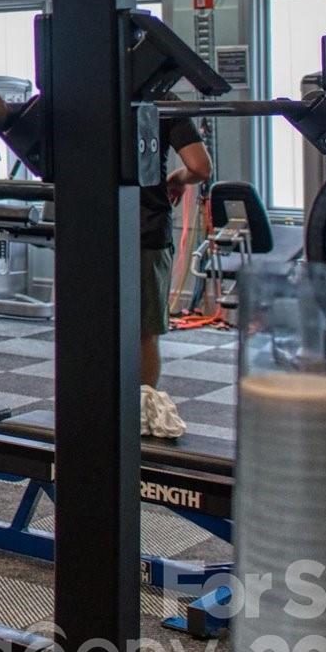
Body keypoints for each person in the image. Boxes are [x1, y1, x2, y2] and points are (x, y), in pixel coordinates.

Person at [142, 103, 213, 436]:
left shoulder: (83, 85)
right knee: (144, 332)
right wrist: (178, 178)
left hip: (90, 221)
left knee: (89, 327)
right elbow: (199, 167)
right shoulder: (163, 100)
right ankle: (138, 415)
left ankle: (88, 409)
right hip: (145, 227)